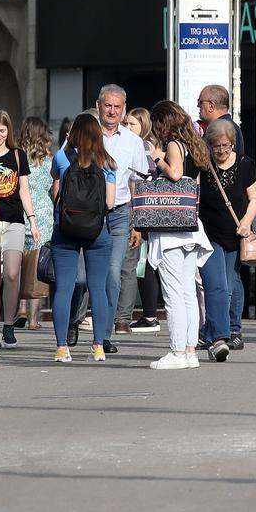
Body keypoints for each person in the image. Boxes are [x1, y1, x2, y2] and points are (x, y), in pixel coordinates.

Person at [148, 100, 216, 370]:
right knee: (188, 291)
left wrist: (157, 159)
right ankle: (190, 350)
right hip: (189, 225)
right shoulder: (194, 145)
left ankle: (177, 351)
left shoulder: (174, 145)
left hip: (171, 229)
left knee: (174, 293)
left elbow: (175, 174)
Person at [49, 113, 116, 363]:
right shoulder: (107, 162)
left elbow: (54, 180)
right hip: (97, 231)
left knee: (64, 288)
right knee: (98, 288)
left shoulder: (62, 157)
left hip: (65, 229)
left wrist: (67, 144)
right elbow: (109, 203)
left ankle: (62, 348)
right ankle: (98, 346)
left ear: (73, 133)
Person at [0, 109, 41, 350]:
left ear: (9, 132)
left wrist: (32, 220)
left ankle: (9, 324)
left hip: (15, 220)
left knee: (12, 274)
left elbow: (24, 190)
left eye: (2, 130)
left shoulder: (18, 155)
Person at [96, 85, 151, 347]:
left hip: (120, 212)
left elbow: (137, 184)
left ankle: (106, 332)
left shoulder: (133, 142)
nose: (112, 111)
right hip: (88, 214)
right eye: (108, 105)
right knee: (84, 274)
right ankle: (74, 319)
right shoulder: (86, 132)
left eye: (117, 107)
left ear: (124, 110)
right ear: (98, 105)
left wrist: (137, 224)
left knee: (114, 271)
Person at [199, 118, 256, 351]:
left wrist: (245, 223)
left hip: (236, 233)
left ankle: (231, 329)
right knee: (218, 285)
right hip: (210, 232)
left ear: (233, 143)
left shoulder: (245, 164)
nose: (222, 150)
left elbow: (254, 198)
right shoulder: (203, 165)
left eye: (226, 145)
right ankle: (218, 334)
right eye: (217, 146)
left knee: (232, 282)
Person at [124, 108, 164, 333]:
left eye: (133, 125)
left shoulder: (145, 147)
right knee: (144, 263)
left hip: (143, 211)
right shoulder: (139, 145)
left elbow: (143, 180)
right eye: (126, 124)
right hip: (140, 210)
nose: (128, 128)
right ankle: (148, 314)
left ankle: (149, 315)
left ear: (144, 127)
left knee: (144, 264)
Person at [17, 116, 56, 330]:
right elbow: (53, 187)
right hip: (42, 212)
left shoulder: (17, 158)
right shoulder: (49, 161)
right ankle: (33, 319)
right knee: (38, 266)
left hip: (21, 210)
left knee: (21, 263)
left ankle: (20, 309)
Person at [197, 84, 245, 154]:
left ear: (211, 106)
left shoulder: (222, 129)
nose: (198, 105)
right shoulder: (231, 127)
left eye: (200, 102)